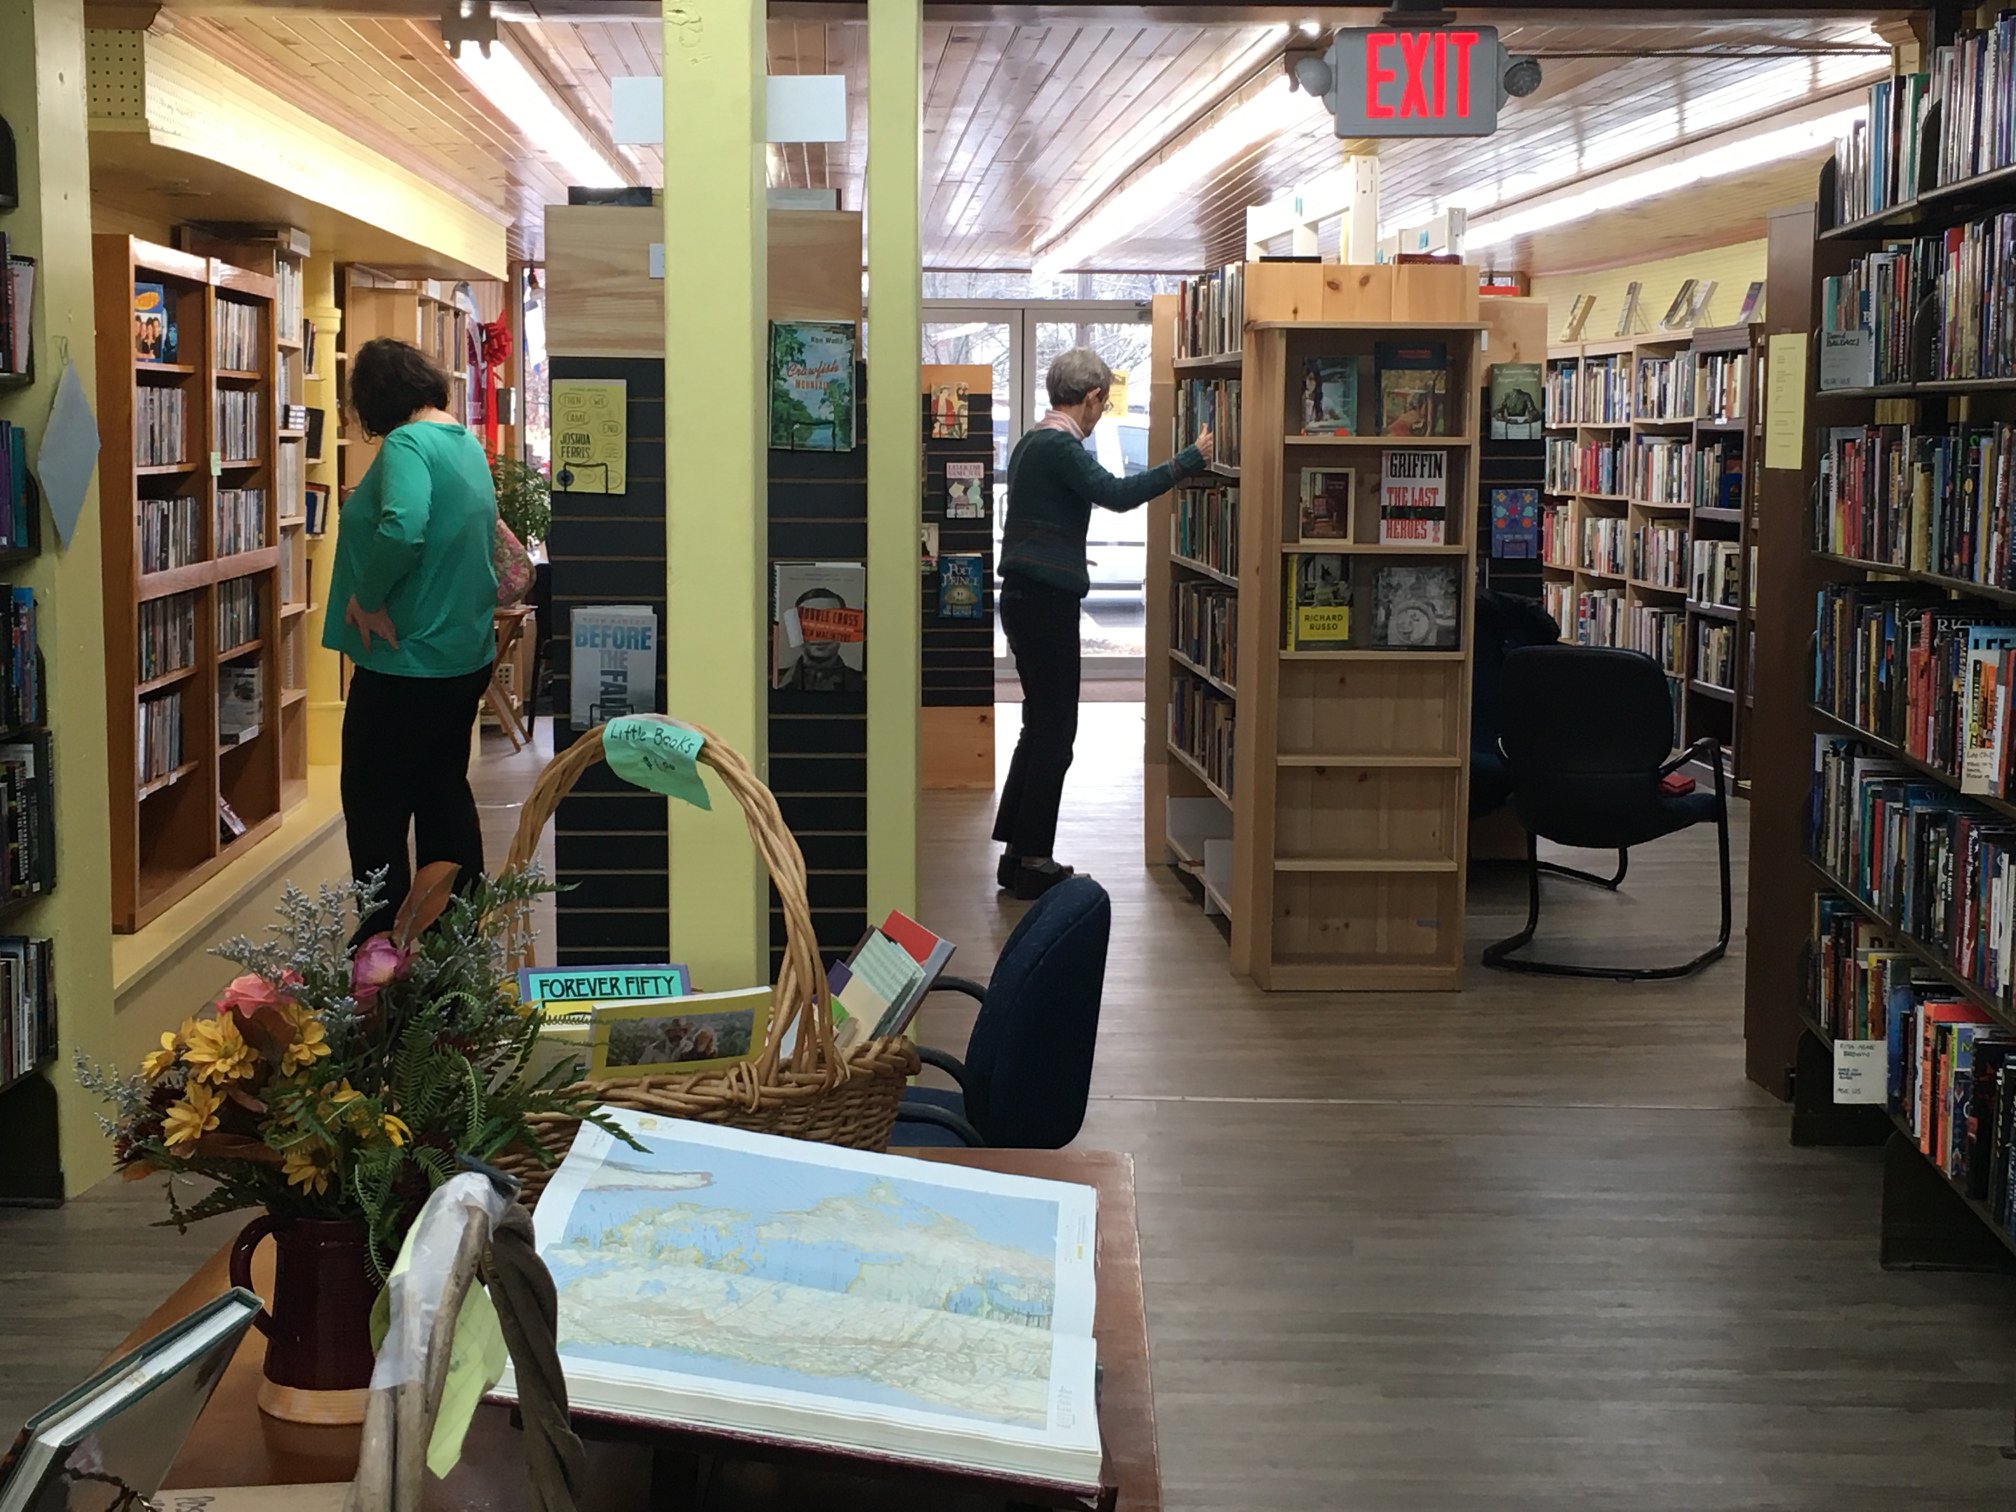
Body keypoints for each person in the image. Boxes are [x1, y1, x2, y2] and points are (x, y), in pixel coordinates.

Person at [992, 347, 1212, 899]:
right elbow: (1116, 493)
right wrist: (1186, 461)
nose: (1100, 414)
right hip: (1046, 602)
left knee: (1038, 725)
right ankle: (1034, 859)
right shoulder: (1059, 446)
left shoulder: (1030, 442)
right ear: (1091, 397)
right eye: (1104, 404)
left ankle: (1017, 855)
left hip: (1023, 598)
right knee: (1056, 732)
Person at [324, 337, 500, 939]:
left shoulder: (407, 443)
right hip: (462, 654)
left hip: (407, 661)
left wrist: (367, 597)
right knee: (442, 791)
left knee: (373, 808)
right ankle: (452, 942)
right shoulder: (463, 443)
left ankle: (382, 953)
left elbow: (403, 528)